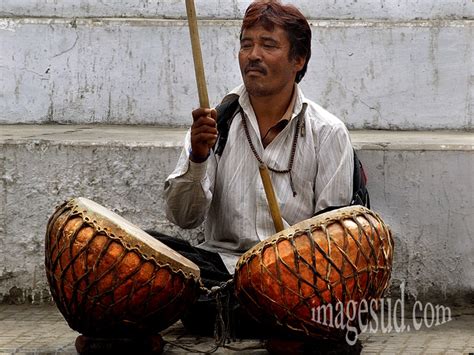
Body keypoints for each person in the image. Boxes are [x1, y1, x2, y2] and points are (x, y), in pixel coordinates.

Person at [158, 0, 354, 337]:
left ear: (299, 60)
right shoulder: (214, 122)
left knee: (323, 294)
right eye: (246, 44)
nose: (253, 55)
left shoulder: (328, 132)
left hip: (291, 275)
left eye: (268, 44)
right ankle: (254, 314)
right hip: (221, 268)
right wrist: (198, 159)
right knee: (155, 254)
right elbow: (184, 219)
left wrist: (285, 270)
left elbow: (334, 241)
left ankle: (246, 311)